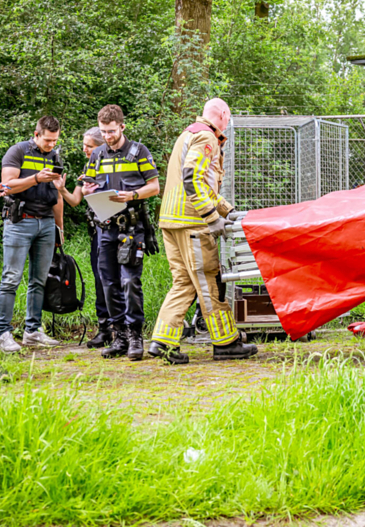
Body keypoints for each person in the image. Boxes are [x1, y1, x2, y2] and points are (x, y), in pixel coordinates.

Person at [148, 98, 258, 364]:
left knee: (183, 283)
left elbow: (202, 184)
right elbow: (192, 179)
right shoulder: (206, 137)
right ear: (221, 114)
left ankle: (162, 342)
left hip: (172, 221)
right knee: (211, 283)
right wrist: (211, 217)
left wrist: (226, 209)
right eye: (228, 118)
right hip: (192, 223)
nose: (228, 124)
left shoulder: (189, 133)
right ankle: (226, 343)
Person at [82, 105, 160, 360]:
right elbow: (88, 187)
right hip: (105, 227)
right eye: (104, 132)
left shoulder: (139, 152)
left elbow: (155, 186)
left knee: (129, 281)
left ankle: (136, 335)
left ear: (122, 127)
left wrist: (134, 194)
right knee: (109, 283)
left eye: (112, 131)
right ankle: (119, 337)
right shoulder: (97, 155)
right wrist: (87, 191)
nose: (108, 136)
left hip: (131, 227)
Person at [0, 116, 65, 352]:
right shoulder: (18, 152)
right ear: (36, 135)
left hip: (46, 223)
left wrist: (59, 228)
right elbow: (6, 185)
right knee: (11, 278)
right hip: (19, 222)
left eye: (55, 141)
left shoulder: (54, 156)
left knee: (40, 279)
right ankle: (3, 333)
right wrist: (35, 178)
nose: (51, 145)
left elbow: (57, 195)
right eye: (47, 140)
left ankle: (32, 331)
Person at [57, 127, 110, 348]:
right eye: (84, 145)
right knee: (98, 277)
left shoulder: (113, 165)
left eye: (89, 146)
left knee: (116, 278)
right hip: (96, 229)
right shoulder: (87, 166)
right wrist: (61, 189)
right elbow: (75, 200)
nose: (85, 150)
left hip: (114, 226)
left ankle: (124, 326)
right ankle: (105, 328)